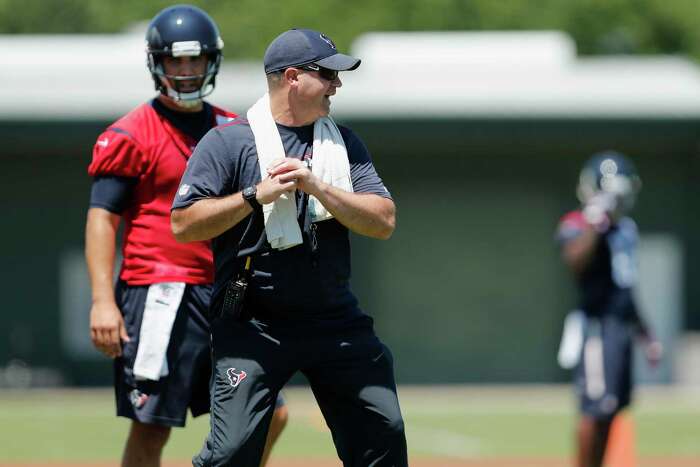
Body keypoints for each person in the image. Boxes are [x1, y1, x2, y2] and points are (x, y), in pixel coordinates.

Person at [171, 28, 408, 466]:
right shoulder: (226, 143)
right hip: (252, 324)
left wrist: (318, 186)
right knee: (230, 454)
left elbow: (383, 220)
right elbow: (183, 224)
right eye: (329, 75)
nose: (338, 85)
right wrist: (251, 196)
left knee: (384, 437)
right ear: (294, 78)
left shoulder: (344, 143)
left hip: (334, 319)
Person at [85, 5, 287, 466]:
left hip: (224, 291)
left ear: (211, 61)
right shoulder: (131, 134)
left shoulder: (234, 129)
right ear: (157, 63)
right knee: (152, 425)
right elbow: (102, 218)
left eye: (195, 60)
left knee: (269, 413)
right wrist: (102, 299)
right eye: (177, 60)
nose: (187, 70)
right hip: (160, 292)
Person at [555, 150, 663, 467]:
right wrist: (596, 222)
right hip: (596, 328)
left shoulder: (626, 230)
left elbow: (626, 285)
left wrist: (645, 332)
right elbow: (575, 262)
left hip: (620, 328)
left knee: (612, 409)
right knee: (594, 409)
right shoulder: (577, 224)